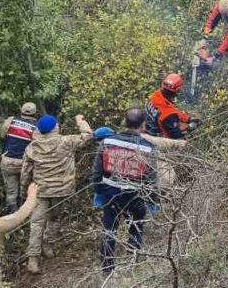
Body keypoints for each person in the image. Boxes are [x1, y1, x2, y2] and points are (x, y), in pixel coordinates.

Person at [20, 113, 93, 274]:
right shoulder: (66, 142)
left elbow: (25, 173)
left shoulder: (32, 147)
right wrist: (80, 121)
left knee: (36, 223)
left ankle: (33, 258)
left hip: (41, 191)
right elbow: (88, 136)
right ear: (55, 128)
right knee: (55, 217)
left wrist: (24, 192)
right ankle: (48, 245)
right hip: (62, 190)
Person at [90, 107, 159, 274]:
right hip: (136, 197)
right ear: (143, 125)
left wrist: (98, 190)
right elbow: (151, 178)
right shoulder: (148, 148)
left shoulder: (107, 142)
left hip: (110, 194)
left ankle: (107, 267)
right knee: (135, 229)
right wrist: (153, 199)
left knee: (109, 230)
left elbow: (96, 172)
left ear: (125, 122)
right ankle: (131, 263)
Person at [0, 102, 38, 214]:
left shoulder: (11, 121)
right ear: (35, 113)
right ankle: (25, 215)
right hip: (24, 163)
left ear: (21, 110)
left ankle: (13, 216)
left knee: (11, 192)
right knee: (25, 190)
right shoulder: (36, 127)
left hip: (8, 161)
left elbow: (3, 136)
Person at [146, 73, 199, 139]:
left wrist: (188, 118)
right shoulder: (168, 115)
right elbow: (176, 135)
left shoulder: (156, 95)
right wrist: (190, 127)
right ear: (177, 90)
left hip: (149, 130)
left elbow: (171, 110)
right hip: (160, 140)